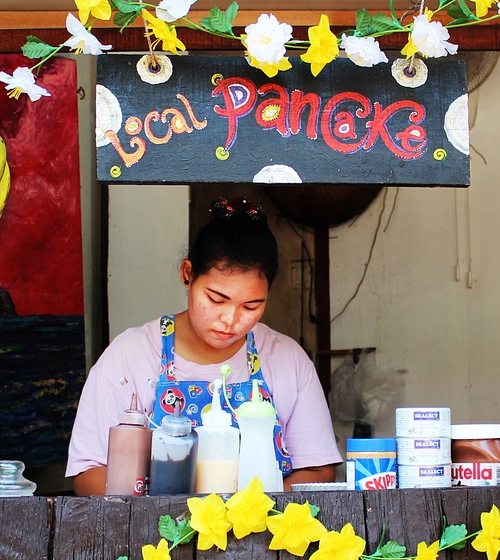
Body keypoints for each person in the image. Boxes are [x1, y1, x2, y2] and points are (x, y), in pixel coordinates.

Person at [68, 198, 341, 495]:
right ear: (188, 274)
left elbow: (317, 469)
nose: (230, 320)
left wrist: (249, 517)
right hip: (153, 538)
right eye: (216, 299)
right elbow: (89, 471)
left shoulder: (287, 360)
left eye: (251, 305)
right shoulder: (131, 355)